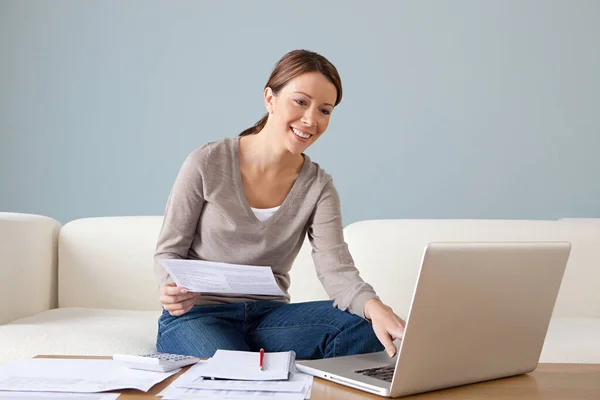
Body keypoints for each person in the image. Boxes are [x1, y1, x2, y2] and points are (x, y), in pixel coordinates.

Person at [154, 49, 405, 360]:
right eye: (300, 102)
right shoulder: (207, 162)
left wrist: (374, 307)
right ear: (270, 98)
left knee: (363, 327)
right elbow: (169, 250)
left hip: (269, 318)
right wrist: (172, 290)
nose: (311, 120)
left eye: (324, 110)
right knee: (238, 370)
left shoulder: (318, 186)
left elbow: (335, 268)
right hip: (198, 316)